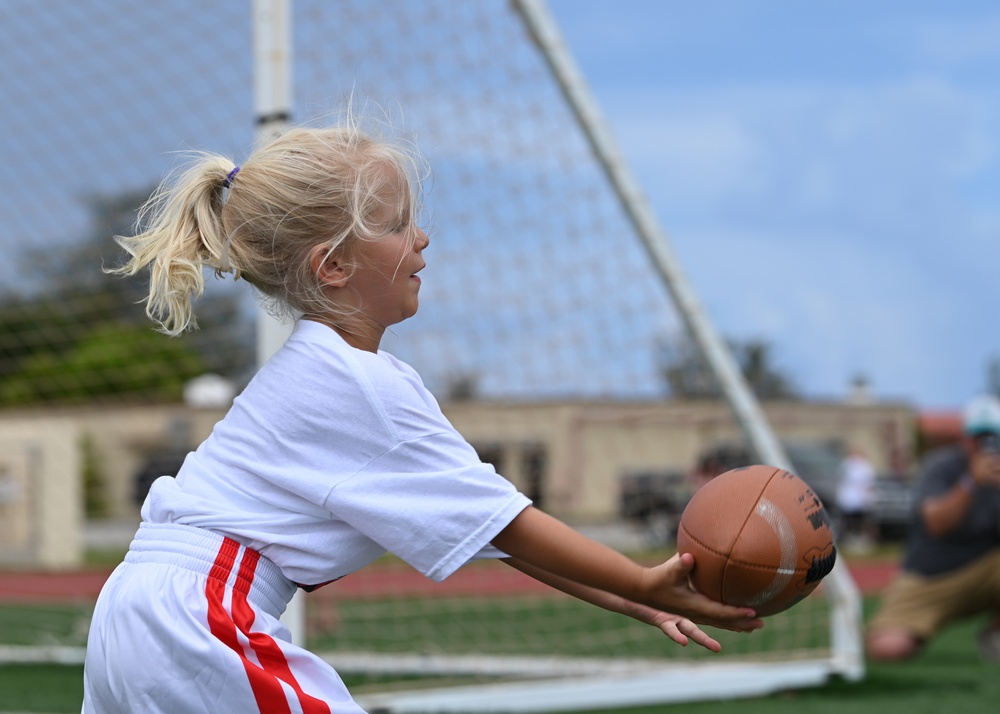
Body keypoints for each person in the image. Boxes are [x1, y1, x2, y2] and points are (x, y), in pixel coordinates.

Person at [82, 122, 763, 712]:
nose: (423, 238)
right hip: (199, 614)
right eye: (397, 224)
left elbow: (484, 527)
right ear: (336, 264)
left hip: (138, 608)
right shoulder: (359, 386)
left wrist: (630, 599)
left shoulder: (331, 375)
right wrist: (642, 579)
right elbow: (512, 524)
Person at [866, 394, 1000, 662]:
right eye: (978, 436)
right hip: (931, 576)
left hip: (987, 571)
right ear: (965, 437)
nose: (985, 444)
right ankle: (893, 631)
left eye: (992, 436)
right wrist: (971, 483)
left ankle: (995, 636)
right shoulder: (941, 466)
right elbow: (937, 524)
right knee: (887, 649)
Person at [835, 444, 877, 549]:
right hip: (851, 498)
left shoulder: (862, 466)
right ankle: (850, 539)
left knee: (858, 521)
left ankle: (858, 539)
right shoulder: (848, 464)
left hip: (858, 498)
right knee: (850, 521)